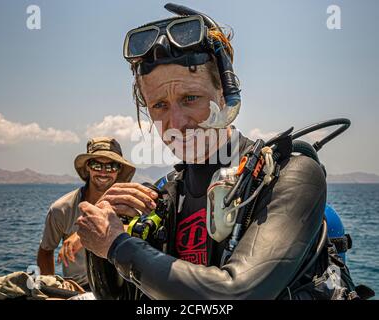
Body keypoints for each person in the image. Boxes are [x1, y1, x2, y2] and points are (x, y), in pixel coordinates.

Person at [76, 4, 358, 299]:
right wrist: (104, 235)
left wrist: (117, 245)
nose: (176, 122)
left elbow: (237, 294)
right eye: (159, 105)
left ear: (226, 96)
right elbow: (117, 297)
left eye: (190, 98)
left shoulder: (291, 176)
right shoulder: (165, 197)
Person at [37, 137, 135, 289]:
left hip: (123, 286)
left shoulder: (132, 205)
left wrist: (83, 234)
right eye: (96, 165)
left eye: (111, 166)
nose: (103, 172)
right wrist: (53, 289)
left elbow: (142, 234)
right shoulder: (61, 209)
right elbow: (45, 251)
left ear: (119, 170)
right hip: (78, 288)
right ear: (88, 167)